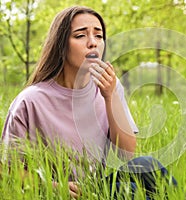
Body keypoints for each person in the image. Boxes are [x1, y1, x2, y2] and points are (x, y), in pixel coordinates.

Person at [1, 5, 176, 199]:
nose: (93, 43)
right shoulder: (30, 100)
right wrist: (51, 186)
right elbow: (8, 170)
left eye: (99, 36)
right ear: (61, 44)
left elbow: (126, 154)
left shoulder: (108, 86)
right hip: (59, 193)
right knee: (131, 193)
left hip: (93, 187)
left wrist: (110, 97)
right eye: (80, 35)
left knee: (148, 166)